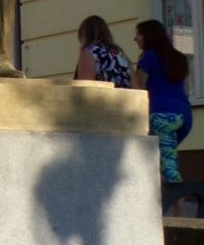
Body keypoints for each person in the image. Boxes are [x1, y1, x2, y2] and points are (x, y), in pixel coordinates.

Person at [133, 19, 193, 183]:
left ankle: (176, 208)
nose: (135, 38)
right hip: (184, 115)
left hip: (161, 115)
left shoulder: (149, 56)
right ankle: (167, 206)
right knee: (162, 161)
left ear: (149, 35)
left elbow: (138, 89)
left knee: (168, 167)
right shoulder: (179, 57)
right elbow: (187, 90)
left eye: (139, 34)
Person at [74, 15, 132, 88]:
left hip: (101, 98)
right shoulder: (121, 55)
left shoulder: (89, 53)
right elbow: (137, 88)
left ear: (84, 35)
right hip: (125, 98)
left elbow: (84, 89)